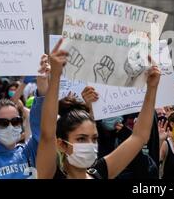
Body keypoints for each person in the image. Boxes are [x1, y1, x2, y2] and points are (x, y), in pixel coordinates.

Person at [36, 39, 161, 179]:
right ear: (61, 144)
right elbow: (47, 134)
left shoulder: (101, 173)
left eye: (94, 138)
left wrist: (152, 88)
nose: (90, 145)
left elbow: (140, 136)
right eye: (81, 139)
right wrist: (56, 77)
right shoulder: (50, 175)